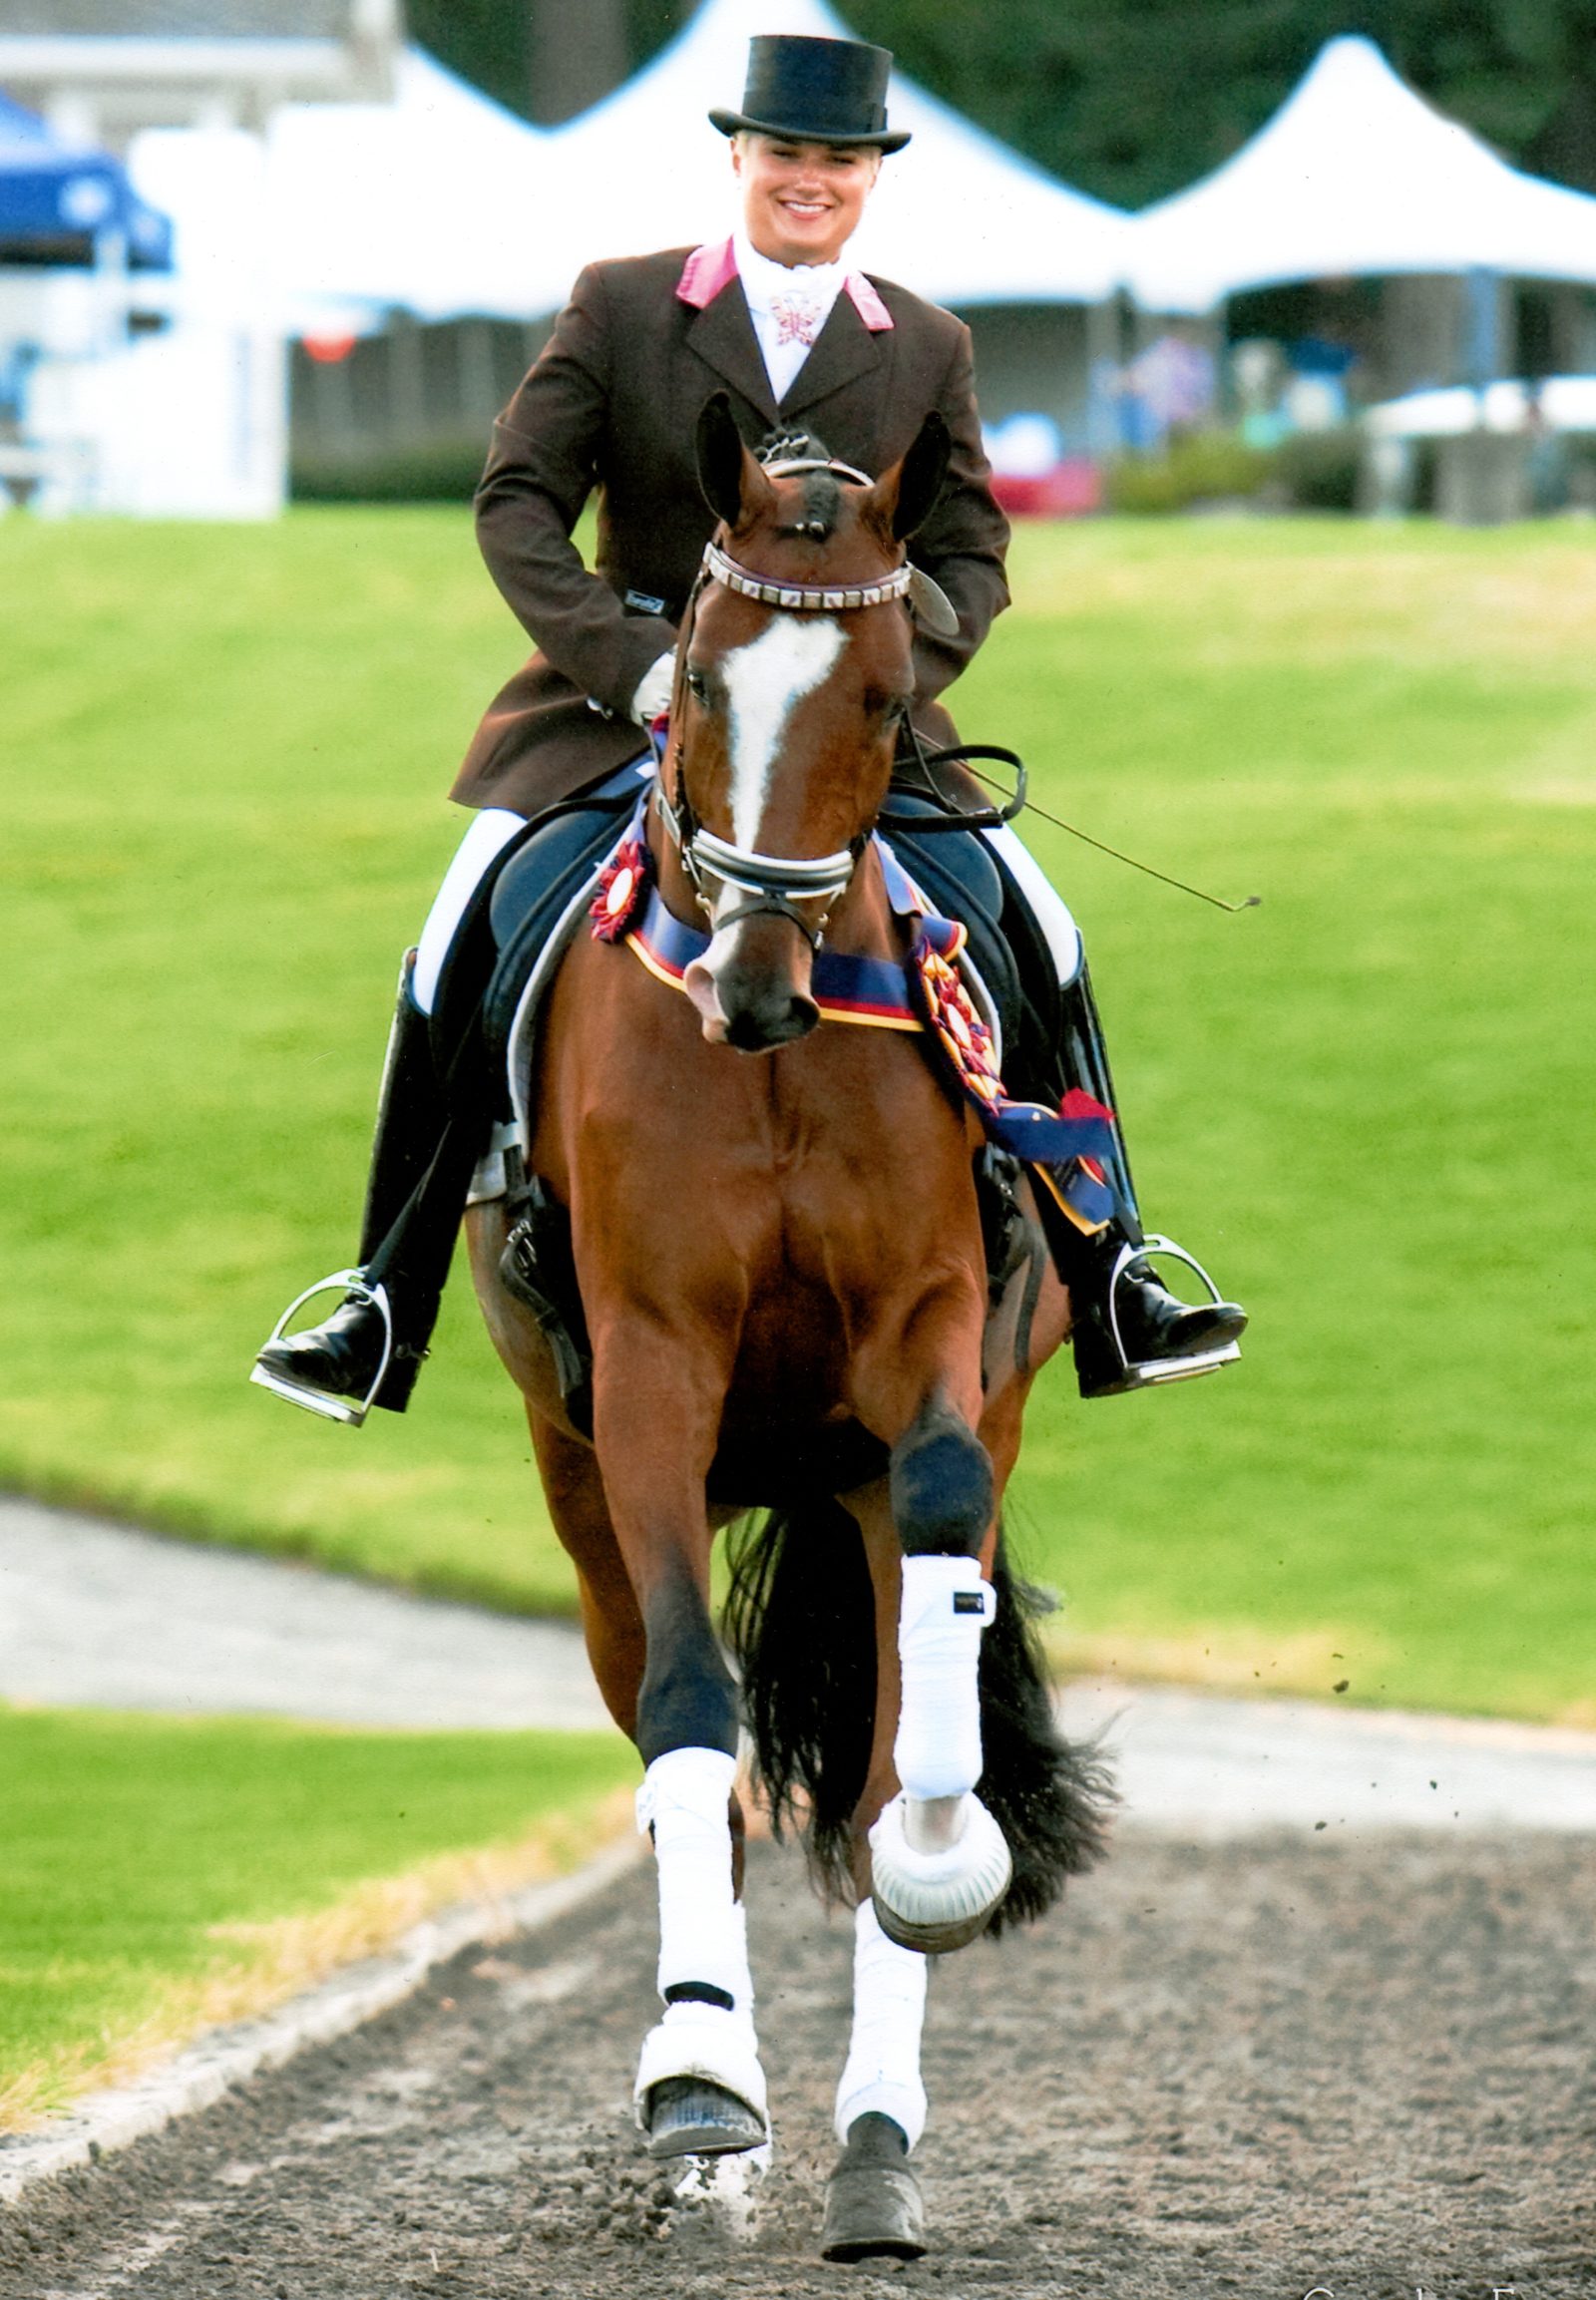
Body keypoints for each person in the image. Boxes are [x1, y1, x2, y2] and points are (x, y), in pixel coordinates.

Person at [252, 32, 1245, 1425]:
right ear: (740, 158)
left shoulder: (927, 344)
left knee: (1050, 930)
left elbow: (973, 551)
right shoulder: (620, 306)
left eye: (839, 161)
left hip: (837, 728)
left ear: (868, 179)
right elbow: (515, 504)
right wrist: (635, 666)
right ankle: (380, 1295)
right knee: (448, 941)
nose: (810, 181)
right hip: (630, 703)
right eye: (786, 154)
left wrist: (881, 674)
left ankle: (1121, 1263)